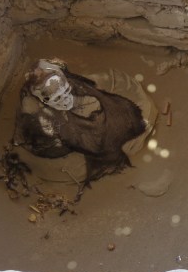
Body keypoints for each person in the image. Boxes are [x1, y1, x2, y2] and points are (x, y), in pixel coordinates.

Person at [13, 59, 155, 195]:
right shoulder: (38, 115)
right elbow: (53, 148)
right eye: (57, 99)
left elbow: (84, 88)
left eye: (66, 91)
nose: (66, 100)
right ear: (43, 101)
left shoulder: (64, 79)